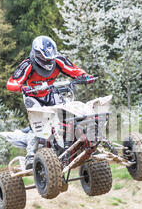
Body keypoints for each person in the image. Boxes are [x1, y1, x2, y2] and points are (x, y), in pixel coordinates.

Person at [6, 35, 94, 169]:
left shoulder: (58, 60)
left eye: (50, 59)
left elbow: (74, 71)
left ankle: (76, 142)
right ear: (36, 54)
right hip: (33, 97)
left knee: (69, 112)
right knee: (39, 124)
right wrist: (23, 87)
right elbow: (11, 83)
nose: (47, 62)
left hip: (50, 93)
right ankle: (30, 157)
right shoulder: (27, 64)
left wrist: (84, 76)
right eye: (44, 59)